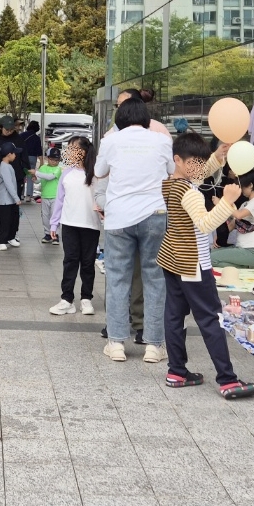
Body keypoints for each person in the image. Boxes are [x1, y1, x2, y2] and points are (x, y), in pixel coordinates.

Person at [156, 132, 254, 399]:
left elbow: (198, 175)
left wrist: (216, 157)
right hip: (193, 263)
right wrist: (227, 200)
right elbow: (205, 223)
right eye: (193, 162)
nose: (197, 168)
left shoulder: (170, 183)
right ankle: (227, 380)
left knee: (174, 316)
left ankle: (176, 371)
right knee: (211, 319)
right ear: (177, 160)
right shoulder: (188, 192)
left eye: (200, 162)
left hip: (172, 259)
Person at [94, 95, 178, 364]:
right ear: (145, 118)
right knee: (155, 278)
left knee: (118, 278)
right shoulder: (162, 140)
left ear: (120, 118)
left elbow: (99, 171)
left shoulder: (110, 141)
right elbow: (171, 170)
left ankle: (117, 343)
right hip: (155, 214)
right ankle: (154, 346)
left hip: (119, 217)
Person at [48, 137, 101, 316]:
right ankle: (67, 299)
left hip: (90, 224)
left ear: (84, 151)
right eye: (68, 148)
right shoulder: (66, 173)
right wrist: (53, 224)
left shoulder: (96, 174)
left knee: (87, 263)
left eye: (73, 148)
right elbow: (60, 200)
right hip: (69, 223)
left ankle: (86, 299)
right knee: (70, 261)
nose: (69, 152)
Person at [0, 116, 24, 242]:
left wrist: (27, 172)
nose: (9, 131)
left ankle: (12, 234)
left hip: (16, 178)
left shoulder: (19, 140)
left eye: (11, 129)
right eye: (6, 129)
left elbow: (24, 158)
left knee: (14, 208)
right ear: (0, 127)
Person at [217, 171, 254, 267]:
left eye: (242, 187)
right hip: (241, 249)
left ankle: (245, 266)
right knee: (211, 255)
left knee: (211, 259)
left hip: (252, 251)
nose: (241, 190)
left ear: (250, 185)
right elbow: (232, 224)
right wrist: (219, 237)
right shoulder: (245, 204)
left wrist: (222, 203)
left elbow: (239, 215)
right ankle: (244, 266)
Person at [0, 143, 21, 250]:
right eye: (14, 153)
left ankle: (11, 237)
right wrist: (16, 198)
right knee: (5, 221)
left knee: (13, 220)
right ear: (9, 154)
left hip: (10, 200)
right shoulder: (4, 167)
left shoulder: (8, 166)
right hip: (5, 200)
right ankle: (2, 241)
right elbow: (9, 184)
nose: (16, 155)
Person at [35, 148, 62, 244]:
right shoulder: (43, 168)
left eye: (57, 160)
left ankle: (55, 235)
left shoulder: (59, 169)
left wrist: (36, 173)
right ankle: (47, 234)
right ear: (47, 158)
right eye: (52, 159)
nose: (54, 162)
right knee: (45, 216)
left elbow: (50, 177)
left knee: (54, 216)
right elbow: (38, 180)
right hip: (45, 196)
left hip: (55, 196)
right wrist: (34, 178)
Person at [22, 121, 43, 201]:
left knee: (22, 175)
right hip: (32, 158)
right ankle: (28, 195)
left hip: (23, 158)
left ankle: (20, 194)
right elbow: (39, 151)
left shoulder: (22, 135)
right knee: (30, 176)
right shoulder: (37, 138)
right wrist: (41, 162)